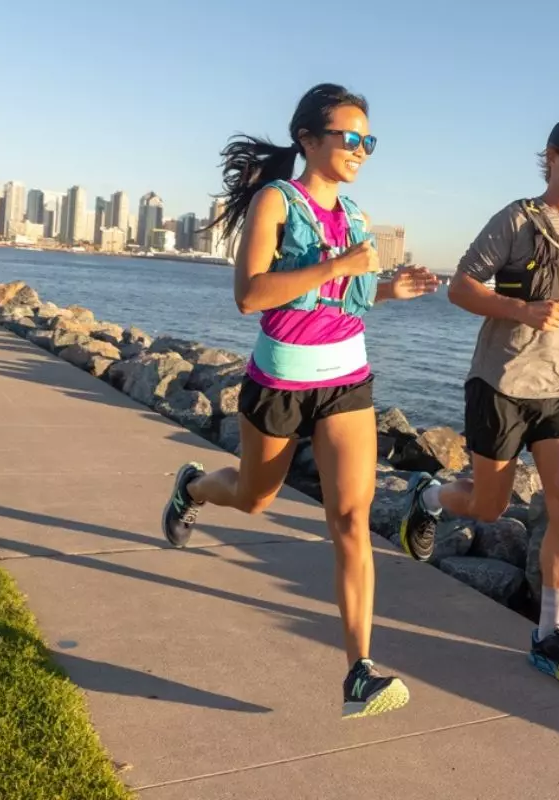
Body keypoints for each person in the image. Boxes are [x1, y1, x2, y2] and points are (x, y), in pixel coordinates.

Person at [160, 83, 439, 719]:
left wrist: (389, 288)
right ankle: (195, 487)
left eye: (369, 140)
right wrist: (337, 267)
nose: (361, 149)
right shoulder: (276, 202)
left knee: (350, 519)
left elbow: (351, 298)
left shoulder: (358, 218)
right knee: (255, 498)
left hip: (347, 380)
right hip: (281, 382)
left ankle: (359, 673)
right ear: (309, 140)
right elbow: (251, 295)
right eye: (349, 136)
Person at [397, 119, 559, 684]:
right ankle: (427, 496)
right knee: (489, 506)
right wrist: (524, 311)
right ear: (552, 158)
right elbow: (462, 287)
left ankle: (548, 635)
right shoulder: (518, 220)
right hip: (500, 385)